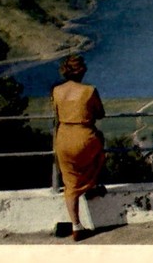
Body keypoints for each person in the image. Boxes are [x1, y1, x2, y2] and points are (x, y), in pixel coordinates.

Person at [51, 54, 106, 242]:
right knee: (98, 148)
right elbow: (100, 114)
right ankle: (92, 185)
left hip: (63, 137)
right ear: (82, 70)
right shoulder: (89, 90)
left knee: (69, 181)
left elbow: (57, 114)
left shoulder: (56, 91)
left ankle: (76, 225)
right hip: (84, 135)